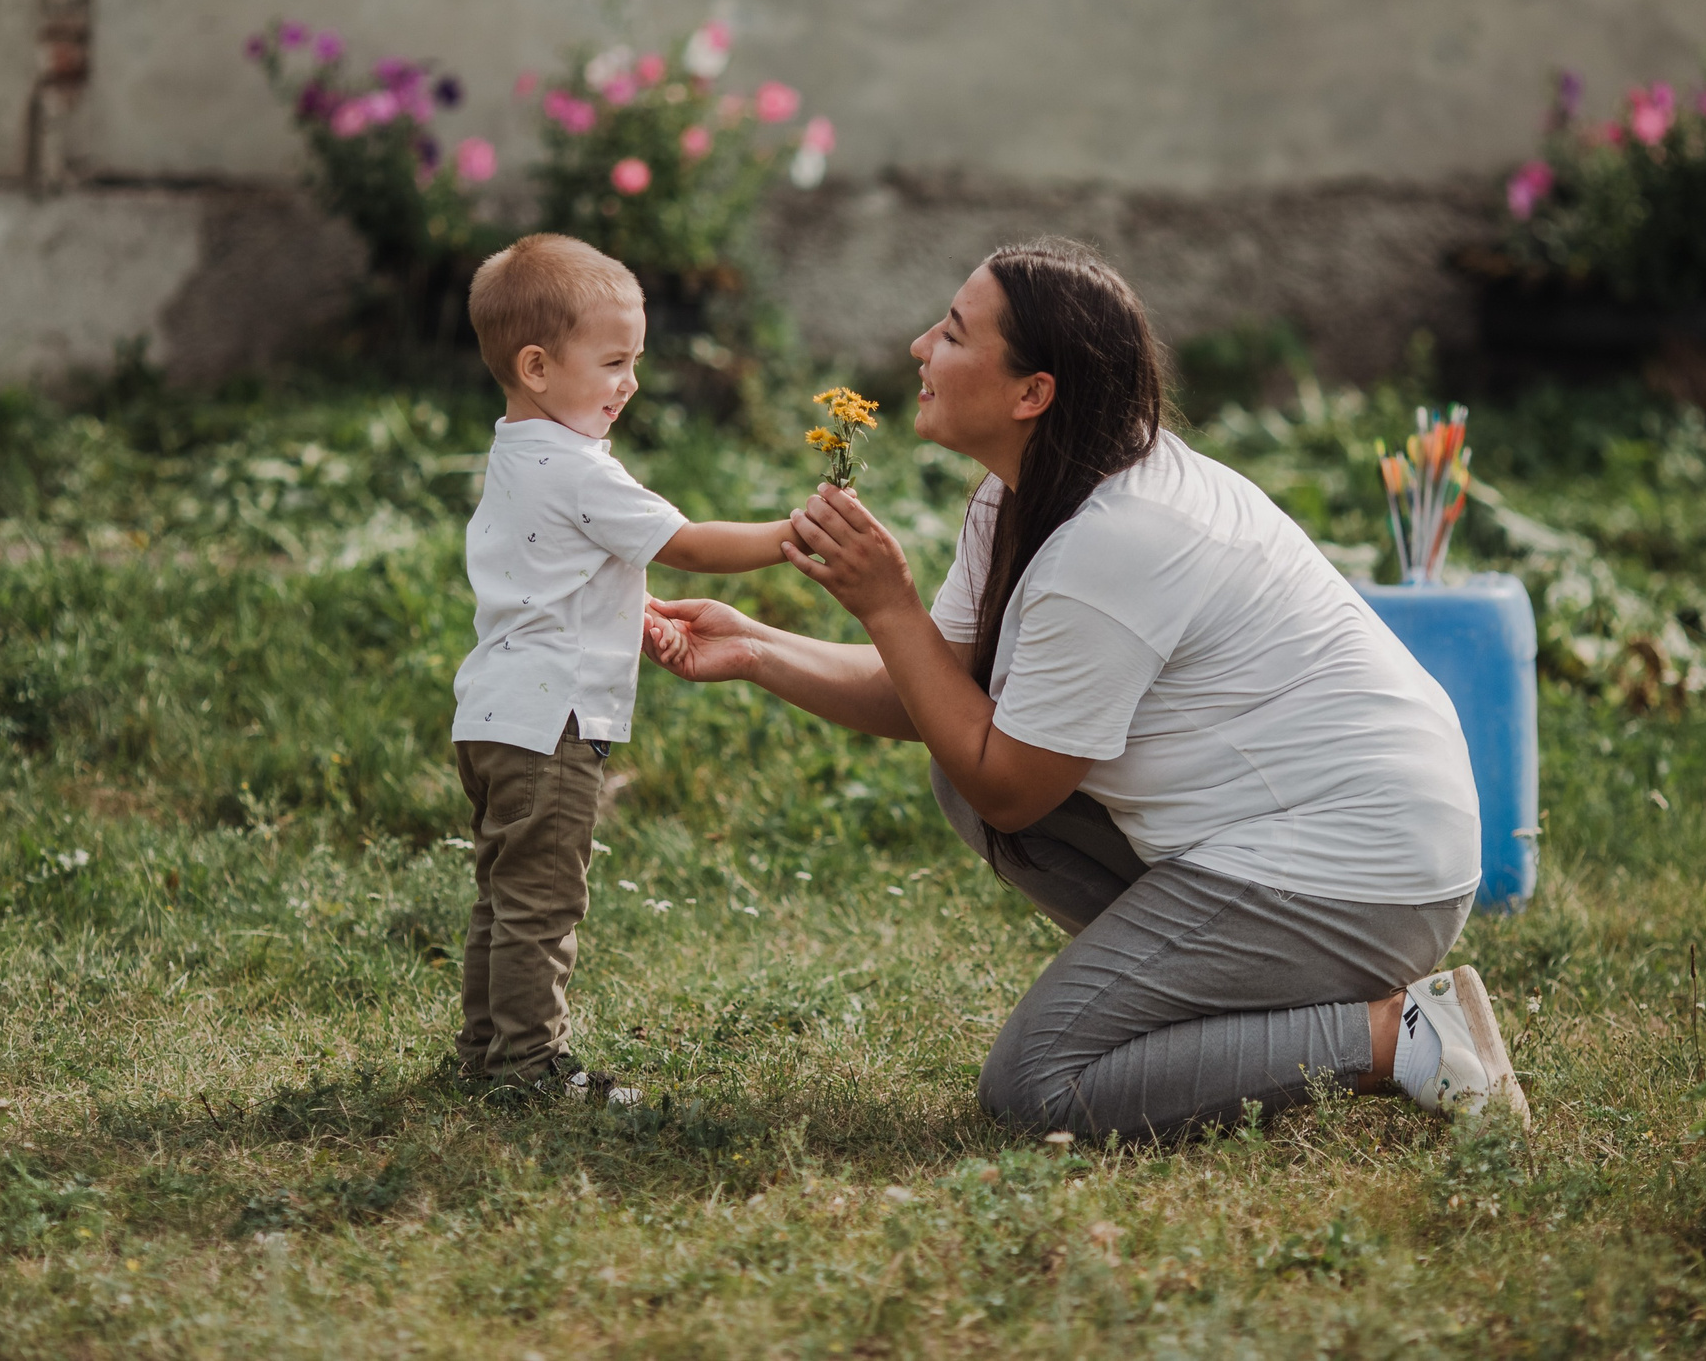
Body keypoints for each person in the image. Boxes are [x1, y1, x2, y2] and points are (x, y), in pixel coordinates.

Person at [645, 239, 1527, 1139]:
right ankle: (1255, 1006)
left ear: (1034, 394)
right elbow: (938, 697)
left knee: (1039, 1084)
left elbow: (1011, 783)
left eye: (951, 334)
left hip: (1364, 874)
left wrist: (889, 604)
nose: (918, 347)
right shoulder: (1023, 494)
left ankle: (1397, 1033)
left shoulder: (1118, 541)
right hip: (1295, 841)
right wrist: (755, 646)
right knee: (960, 766)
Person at [450, 234, 799, 1092]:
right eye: (613, 361)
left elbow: (549, 570)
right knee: (543, 905)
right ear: (537, 365)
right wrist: (794, 536)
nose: (630, 383)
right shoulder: (580, 470)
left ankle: (484, 1055)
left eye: (634, 360)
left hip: (493, 715)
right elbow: (687, 543)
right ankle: (528, 1066)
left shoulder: (515, 453)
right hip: (554, 723)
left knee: (503, 897)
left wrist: (624, 602)